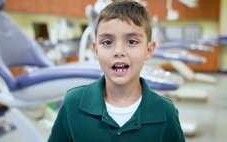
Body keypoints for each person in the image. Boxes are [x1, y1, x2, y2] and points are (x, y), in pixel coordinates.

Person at [48, 0, 185, 141]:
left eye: (131, 41)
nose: (119, 51)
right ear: (96, 50)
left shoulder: (165, 112)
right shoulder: (73, 103)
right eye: (107, 42)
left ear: (149, 50)